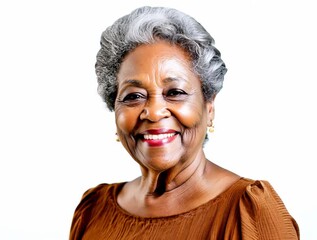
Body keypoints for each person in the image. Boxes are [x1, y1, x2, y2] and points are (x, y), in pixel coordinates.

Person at [70, 6, 299, 240]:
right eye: (133, 96)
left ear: (209, 108)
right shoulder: (93, 210)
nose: (154, 112)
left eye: (175, 92)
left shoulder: (248, 212)